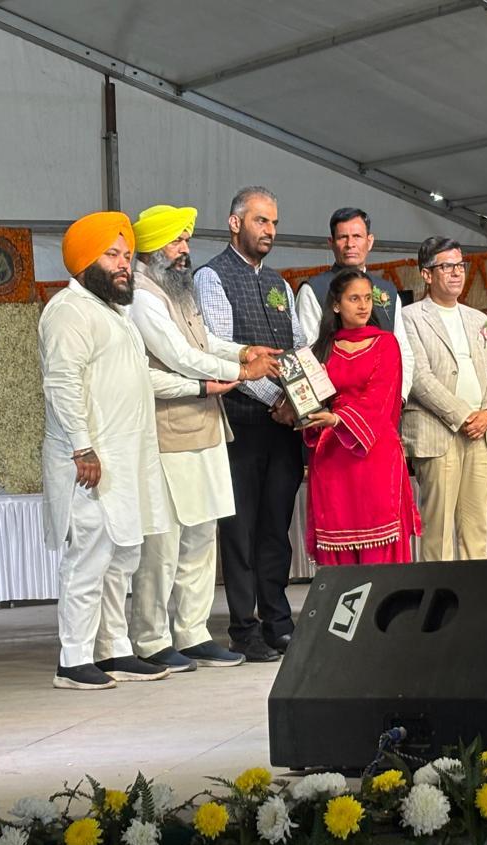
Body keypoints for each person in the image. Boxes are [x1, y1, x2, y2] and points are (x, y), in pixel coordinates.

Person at [127, 203, 282, 671]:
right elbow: (178, 356)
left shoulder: (179, 286)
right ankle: (151, 638)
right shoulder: (142, 295)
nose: (184, 248)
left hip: (206, 425)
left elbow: (203, 341)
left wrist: (242, 351)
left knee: (201, 537)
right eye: (176, 241)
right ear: (153, 246)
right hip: (168, 430)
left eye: (186, 240)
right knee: (164, 543)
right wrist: (241, 371)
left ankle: (192, 633)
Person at [40, 212, 187, 689]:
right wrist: (82, 448)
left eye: (127, 255)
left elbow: (138, 380)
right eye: (112, 255)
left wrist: (204, 383)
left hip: (124, 461)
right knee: (88, 560)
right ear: (85, 261)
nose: (124, 264)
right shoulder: (69, 311)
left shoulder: (115, 313)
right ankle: (73, 659)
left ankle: (113, 651)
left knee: (120, 559)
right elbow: (61, 383)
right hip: (90, 461)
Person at [193, 187, 305, 662]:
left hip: (284, 426)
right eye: (261, 221)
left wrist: (297, 403)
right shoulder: (212, 277)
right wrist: (276, 399)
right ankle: (244, 627)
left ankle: (278, 621)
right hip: (239, 423)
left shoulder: (279, 283)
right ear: (235, 223)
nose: (270, 231)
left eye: (274, 223)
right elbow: (218, 349)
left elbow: (298, 345)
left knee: (276, 529)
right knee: (240, 530)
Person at [303, 269, 421, 563]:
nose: (363, 305)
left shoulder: (386, 343)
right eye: (354, 299)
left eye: (368, 298)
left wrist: (338, 420)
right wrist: (299, 408)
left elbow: (380, 399)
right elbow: (312, 400)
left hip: (375, 453)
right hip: (332, 457)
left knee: (379, 543)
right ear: (336, 305)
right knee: (338, 541)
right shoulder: (322, 349)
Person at [401, 236, 487, 561]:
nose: (457, 272)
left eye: (460, 265)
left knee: (477, 530)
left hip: (481, 435)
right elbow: (419, 377)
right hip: (439, 433)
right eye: (447, 267)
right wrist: (462, 416)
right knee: (439, 530)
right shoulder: (409, 317)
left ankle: (477, 592)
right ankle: (439, 594)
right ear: (426, 274)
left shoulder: (478, 318)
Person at [296, 207, 414, 399]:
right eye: (343, 237)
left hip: (384, 405)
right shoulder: (314, 289)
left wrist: (398, 399)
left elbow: (404, 352)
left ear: (370, 241)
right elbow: (306, 354)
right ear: (331, 243)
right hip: (335, 405)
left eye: (357, 236)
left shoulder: (388, 291)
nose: (350, 244)